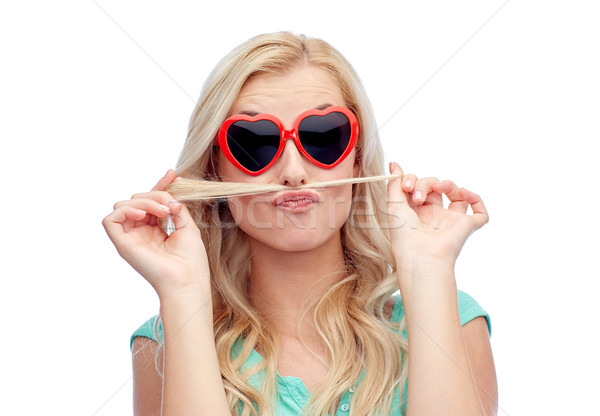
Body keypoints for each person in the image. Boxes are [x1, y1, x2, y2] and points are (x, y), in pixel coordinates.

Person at [103, 32, 497, 416]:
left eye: (323, 136)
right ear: (213, 169)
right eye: (254, 142)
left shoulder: (452, 317)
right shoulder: (160, 342)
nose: (293, 172)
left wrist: (427, 272)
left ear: (357, 158)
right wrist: (182, 289)